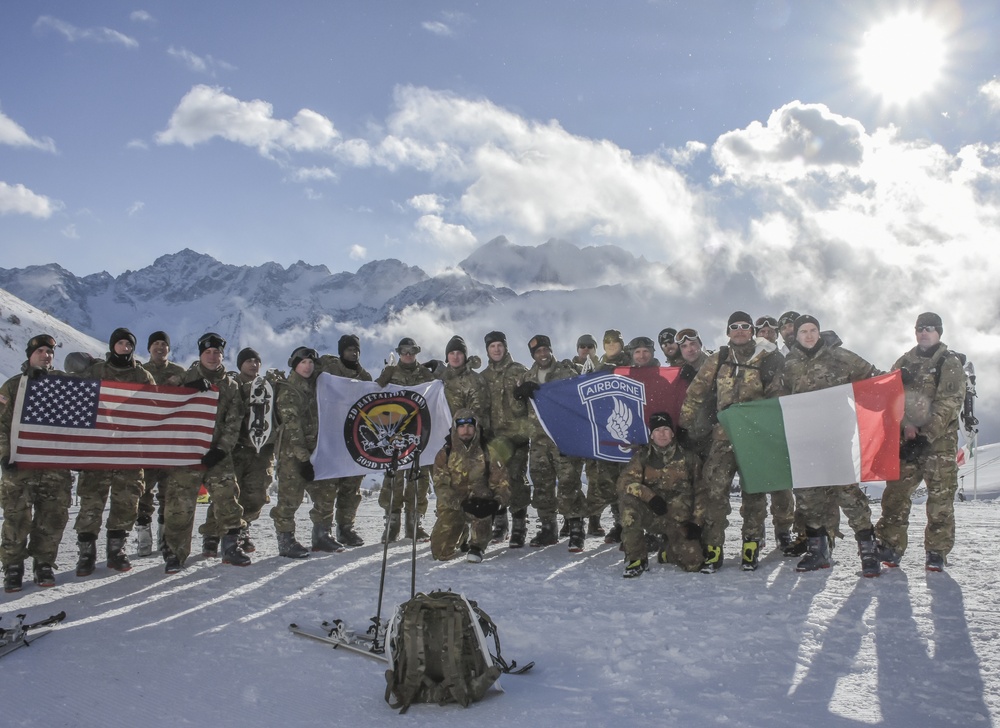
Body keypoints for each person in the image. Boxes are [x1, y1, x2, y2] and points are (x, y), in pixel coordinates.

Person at [679, 311, 784, 573]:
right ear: (728, 332)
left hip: (755, 438)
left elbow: (778, 398)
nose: (739, 330)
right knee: (716, 492)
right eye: (734, 326)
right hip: (723, 436)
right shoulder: (720, 358)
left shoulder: (766, 358)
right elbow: (695, 394)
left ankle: (751, 546)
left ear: (752, 330)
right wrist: (684, 426)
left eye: (745, 326)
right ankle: (714, 549)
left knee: (755, 493)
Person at [781, 315, 883, 576]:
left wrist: (893, 381)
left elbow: (871, 376)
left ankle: (868, 548)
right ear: (797, 335)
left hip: (835, 438)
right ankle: (818, 550)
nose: (808, 335)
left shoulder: (840, 356)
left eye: (813, 330)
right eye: (803, 331)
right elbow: (777, 396)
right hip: (804, 440)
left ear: (818, 331)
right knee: (808, 498)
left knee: (847, 493)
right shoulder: (789, 363)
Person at [876, 312, 965, 572]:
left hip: (939, 446)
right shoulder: (904, 362)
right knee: (895, 496)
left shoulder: (949, 362)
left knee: (939, 501)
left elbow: (948, 404)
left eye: (929, 328)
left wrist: (925, 436)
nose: (923, 332)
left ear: (939, 332)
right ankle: (890, 546)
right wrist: (907, 428)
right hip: (907, 442)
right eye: (919, 328)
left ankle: (936, 552)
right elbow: (891, 399)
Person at [161, 333, 251, 572]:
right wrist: (186, 390)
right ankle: (174, 554)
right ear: (200, 354)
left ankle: (231, 546)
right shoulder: (184, 377)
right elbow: (162, 401)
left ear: (223, 355)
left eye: (217, 353)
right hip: (185, 451)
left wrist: (221, 450)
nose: (212, 357)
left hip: (217, 454)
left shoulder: (230, 385)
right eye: (208, 352)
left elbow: (234, 422)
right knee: (179, 505)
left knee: (228, 499)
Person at [74, 327, 157, 576]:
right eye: (120, 343)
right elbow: (78, 404)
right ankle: (86, 554)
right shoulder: (96, 371)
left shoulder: (142, 375)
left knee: (126, 502)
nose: (125, 348)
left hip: (129, 450)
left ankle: (116, 551)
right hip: (97, 450)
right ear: (112, 346)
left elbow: (155, 408)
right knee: (91, 502)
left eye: (129, 344)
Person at [0, 334, 74, 592]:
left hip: (55, 467)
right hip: (20, 467)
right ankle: (13, 566)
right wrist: (4, 454)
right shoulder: (13, 386)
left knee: (53, 517)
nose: (45, 355)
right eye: (40, 351)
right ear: (29, 355)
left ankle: (44, 563)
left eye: (49, 352)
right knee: (16, 517)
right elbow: (1, 425)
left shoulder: (65, 384)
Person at [198, 347, 277, 556]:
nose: (253, 364)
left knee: (256, 495)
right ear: (240, 364)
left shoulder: (268, 386)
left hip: (261, 450)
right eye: (248, 361)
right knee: (226, 495)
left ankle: (244, 529)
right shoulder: (232, 385)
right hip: (236, 448)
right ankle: (212, 534)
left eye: (256, 360)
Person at [513, 335, 587, 551]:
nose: (542, 354)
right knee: (542, 485)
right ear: (533, 355)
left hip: (563, 439)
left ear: (551, 350)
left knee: (569, 483)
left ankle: (576, 528)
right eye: (538, 352)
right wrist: (519, 396)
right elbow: (520, 413)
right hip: (538, 442)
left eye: (545, 350)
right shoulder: (528, 376)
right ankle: (548, 528)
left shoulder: (566, 373)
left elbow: (579, 401)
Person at [270, 346, 345, 558]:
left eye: (311, 362)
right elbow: (292, 427)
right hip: (293, 454)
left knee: (326, 491)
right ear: (295, 365)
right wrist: (303, 459)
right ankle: (285, 540)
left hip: (317, 450)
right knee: (290, 497)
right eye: (303, 362)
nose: (308, 366)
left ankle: (322, 535)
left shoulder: (317, 386)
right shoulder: (288, 390)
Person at [617, 412, 703, 577]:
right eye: (657, 430)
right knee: (628, 503)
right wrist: (650, 497)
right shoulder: (642, 457)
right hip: (653, 515)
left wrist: (697, 522)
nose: (662, 434)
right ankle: (636, 559)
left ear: (672, 432)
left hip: (679, 520)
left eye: (666, 429)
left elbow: (702, 491)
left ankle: (668, 549)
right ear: (652, 434)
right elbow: (624, 484)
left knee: (694, 563)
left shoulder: (689, 458)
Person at [375, 337, 436, 542]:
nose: (408, 354)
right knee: (393, 479)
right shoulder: (391, 373)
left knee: (418, 480)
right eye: (404, 351)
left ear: (417, 353)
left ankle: (414, 523)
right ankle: (391, 524)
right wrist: (384, 377)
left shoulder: (425, 374)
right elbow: (374, 394)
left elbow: (438, 392)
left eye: (412, 351)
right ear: (399, 353)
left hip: (419, 434)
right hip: (394, 434)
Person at [430, 409, 510, 562]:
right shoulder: (445, 453)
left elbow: (502, 483)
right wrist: (460, 503)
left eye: (470, 426)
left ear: (476, 427)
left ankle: (477, 545)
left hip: (479, 502)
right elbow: (440, 486)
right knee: (440, 553)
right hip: (455, 505)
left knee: (483, 503)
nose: (465, 430)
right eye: (461, 426)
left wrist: (495, 503)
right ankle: (462, 533)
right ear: (455, 427)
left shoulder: (488, 451)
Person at [314, 334, 372, 547]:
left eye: (355, 349)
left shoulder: (365, 377)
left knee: (351, 488)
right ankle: (321, 532)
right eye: (348, 349)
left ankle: (345, 528)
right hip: (331, 438)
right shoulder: (328, 370)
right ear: (341, 351)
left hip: (355, 441)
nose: (353, 353)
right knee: (328, 487)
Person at [136, 330, 187, 557]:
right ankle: (143, 533)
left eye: (163, 344)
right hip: (146, 443)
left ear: (168, 348)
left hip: (170, 443)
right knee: (142, 490)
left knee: (169, 492)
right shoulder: (140, 373)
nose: (160, 347)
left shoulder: (180, 373)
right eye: (155, 344)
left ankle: (165, 536)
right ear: (149, 348)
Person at [480, 330, 531, 546]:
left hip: (518, 438)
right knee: (496, 482)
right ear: (487, 350)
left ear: (505, 347)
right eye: (492, 346)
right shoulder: (483, 377)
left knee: (517, 481)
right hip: (494, 440)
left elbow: (534, 399)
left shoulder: (520, 371)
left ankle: (519, 526)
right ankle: (500, 525)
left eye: (500, 345)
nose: (497, 349)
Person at [590, 329, 631, 543]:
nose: (611, 345)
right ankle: (619, 523)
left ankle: (632, 524)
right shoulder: (599, 367)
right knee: (609, 481)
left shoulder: (632, 363)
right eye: (607, 342)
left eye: (615, 341)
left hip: (628, 433)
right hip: (605, 432)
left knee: (628, 481)